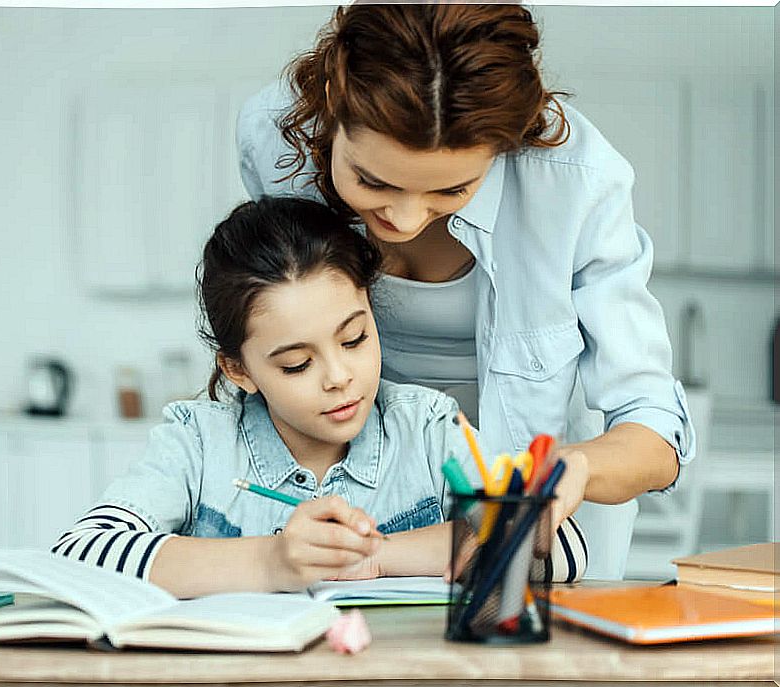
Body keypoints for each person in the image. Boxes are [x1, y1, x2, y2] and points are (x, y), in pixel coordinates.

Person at [236, 4, 695, 579]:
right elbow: (270, 309)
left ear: (506, 146)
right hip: (361, 513)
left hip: (540, 539)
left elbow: (653, 428)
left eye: (451, 189)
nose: (404, 219)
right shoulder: (274, 143)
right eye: (372, 180)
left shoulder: (577, 185)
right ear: (333, 99)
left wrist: (571, 470)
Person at [51, 197, 584, 598]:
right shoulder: (200, 440)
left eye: (354, 339)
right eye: (296, 364)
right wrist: (271, 562)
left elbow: (560, 546)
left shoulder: (426, 429)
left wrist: (378, 555)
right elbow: (78, 553)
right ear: (239, 370)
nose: (339, 376)